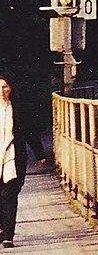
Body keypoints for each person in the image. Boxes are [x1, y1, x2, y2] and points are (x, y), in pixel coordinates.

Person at [0, 76, 46, 248]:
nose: (2, 91)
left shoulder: (19, 109)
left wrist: (39, 154)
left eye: (5, 87)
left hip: (14, 157)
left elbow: (31, 132)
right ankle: (1, 228)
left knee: (9, 194)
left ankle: (8, 236)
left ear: (10, 88)